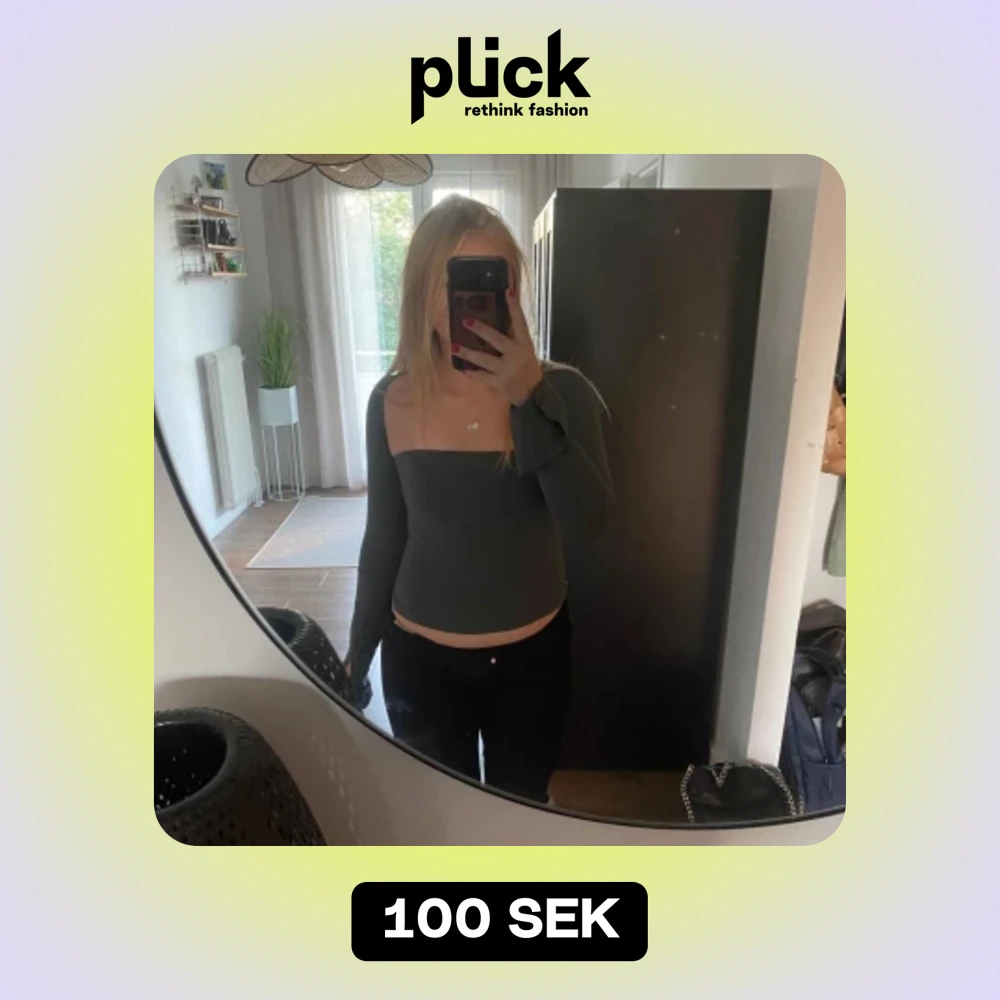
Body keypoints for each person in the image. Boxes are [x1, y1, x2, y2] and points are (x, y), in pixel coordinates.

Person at [345, 194, 613, 803]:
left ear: (513, 295)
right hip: (420, 664)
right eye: (454, 281)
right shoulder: (390, 400)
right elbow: (383, 537)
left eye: (493, 281)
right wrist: (358, 652)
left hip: (533, 661)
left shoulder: (562, 393)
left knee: (521, 812)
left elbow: (590, 525)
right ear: (422, 291)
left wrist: (528, 399)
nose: (471, 302)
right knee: (447, 819)